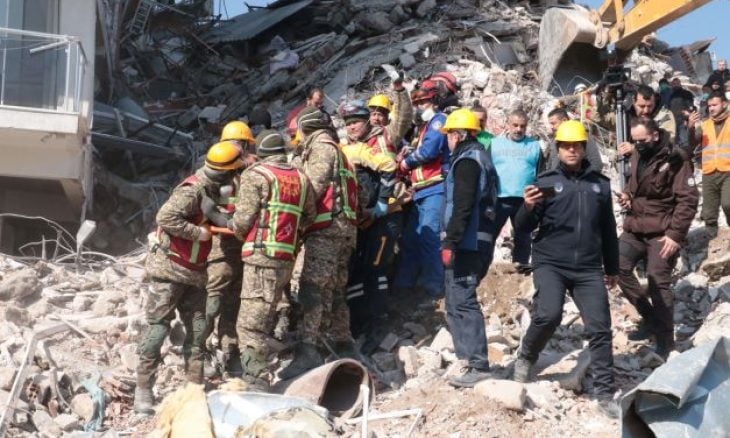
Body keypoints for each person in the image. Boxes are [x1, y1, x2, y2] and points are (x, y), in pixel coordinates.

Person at [512, 120, 619, 417]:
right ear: (558, 149)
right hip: (551, 263)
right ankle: (527, 355)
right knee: (548, 314)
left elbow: (608, 229)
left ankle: (605, 393)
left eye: (577, 146)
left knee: (600, 328)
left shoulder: (600, 184)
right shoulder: (546, 182)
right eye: (566, 146)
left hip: (588, 267)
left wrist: (612, 267)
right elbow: (523, 227)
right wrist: (527, 207)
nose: (572, 151)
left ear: (584, 148)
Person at [134, 141, 244, 415]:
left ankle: (194, 387)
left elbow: (219, 216)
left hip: (195, 274)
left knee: (198, 331)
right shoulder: (192, 190)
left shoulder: (212, 189)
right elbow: (165, 217)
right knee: (158, 328)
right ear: (226, 172)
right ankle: (143, 389)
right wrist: (198, 234)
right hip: (169, 271)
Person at [226, 130, 317, 382]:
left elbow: (242, 222)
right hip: (286, 258)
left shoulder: (256, 175)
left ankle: (257, 379)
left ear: (261, 152)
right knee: (266, 314)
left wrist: (231, 225)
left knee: (250, 324)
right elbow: (309, 215)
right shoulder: (301, 177)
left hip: (260, 257)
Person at [279, 106, 359, 380]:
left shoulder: (322, 149)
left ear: (306, 127)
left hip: (326, 231)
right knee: (334, 289)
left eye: (298, 131)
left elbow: (311, 188)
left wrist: (298, 222)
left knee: (312, 288)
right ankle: (342, 342)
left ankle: (309, 348)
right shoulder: (340, 151)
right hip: (344, 231)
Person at [616, 117, 699, 359]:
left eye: (642, 140)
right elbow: (635, 186)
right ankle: (650, 317)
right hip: (636, 226)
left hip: (663, 232)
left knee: (657, 281)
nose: (638, 145)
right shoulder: (637, 154)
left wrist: (675, 235)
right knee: (616, 266)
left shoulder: (676, 160)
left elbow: (688, 200)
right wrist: (627, 196)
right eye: (635, 141)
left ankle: (666, 342)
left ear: (654, 135)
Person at [439, 109, 498, 388]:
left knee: (462, 299)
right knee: (454, 298)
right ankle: (466, 360)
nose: (447, 140)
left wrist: (451, 241)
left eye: (449, 134)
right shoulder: (479, 158)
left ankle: (478, 364)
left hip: (468, 242)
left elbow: (463, 204)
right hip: (475, 239)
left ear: (458, 135)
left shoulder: (467, 163)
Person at [339, 101, 401, 349]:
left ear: (366, 122)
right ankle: (358, 324)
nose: (351, 127)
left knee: (376, 269)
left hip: (384, 220)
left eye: (355, 122)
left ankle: (377, 324)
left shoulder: (365, 149)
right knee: (358, 270)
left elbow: (390, 167)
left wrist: (382, 203)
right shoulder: (346, 149)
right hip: (363, 222)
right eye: (347, 124)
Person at [199, 121, 257, 378]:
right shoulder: (216, 170)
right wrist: (226, 222)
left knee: (234, 301)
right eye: (234, 144)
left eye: (240, 145)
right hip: (221, 247)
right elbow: (207, 206)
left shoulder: (248, 171)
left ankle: (230, 351)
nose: (238, 149)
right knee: (213, 299)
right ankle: (198, 350)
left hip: (243, 247)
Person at [394, 88, 450, 299]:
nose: (418, 108)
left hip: (435, 189)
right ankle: (404, 285)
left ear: (433, 101)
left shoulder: (438, 121)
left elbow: (429, 151)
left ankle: (434, 287)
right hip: (420, 192)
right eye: (416, 104)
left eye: (422, 103)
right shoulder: (425, 127)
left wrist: (404, 164)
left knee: (429, 238)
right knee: (411, 239)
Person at [489, 109, 541, 272]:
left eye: (522, 126)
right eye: (515, 125)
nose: (519, 129)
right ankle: (483, 268)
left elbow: (541, 173)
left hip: (524, 201)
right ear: (508, 125)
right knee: (489, 235)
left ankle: (521, 271)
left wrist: (537, 199)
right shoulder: (495, 144)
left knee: (523, 237)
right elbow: (487, 171)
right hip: (500, 199)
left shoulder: (534, 146)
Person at [688, 91, 730, 235]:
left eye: (714, 105)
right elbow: (693, 143)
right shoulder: (705, 125)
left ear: (724, 104)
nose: (711, 108)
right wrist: (690, 127)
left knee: (728, 204)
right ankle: (711, 237)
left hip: (728, 171)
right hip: (709, 171)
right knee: (709, 211)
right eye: (709, 105)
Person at [545, 108, 603, 172]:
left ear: (564, 120)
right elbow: (551, 165)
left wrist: (579, 177)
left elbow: (596, 165)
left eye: (553, 123)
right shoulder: (555, 139)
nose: (551, 127)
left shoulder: (583, 137)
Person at [367, 75, 413, 149]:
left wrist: (400, 91)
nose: (376, 118)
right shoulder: (363, 133)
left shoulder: (390, 132)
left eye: (380, 115)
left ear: (387, 118)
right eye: (373, 114)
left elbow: (403, 115)